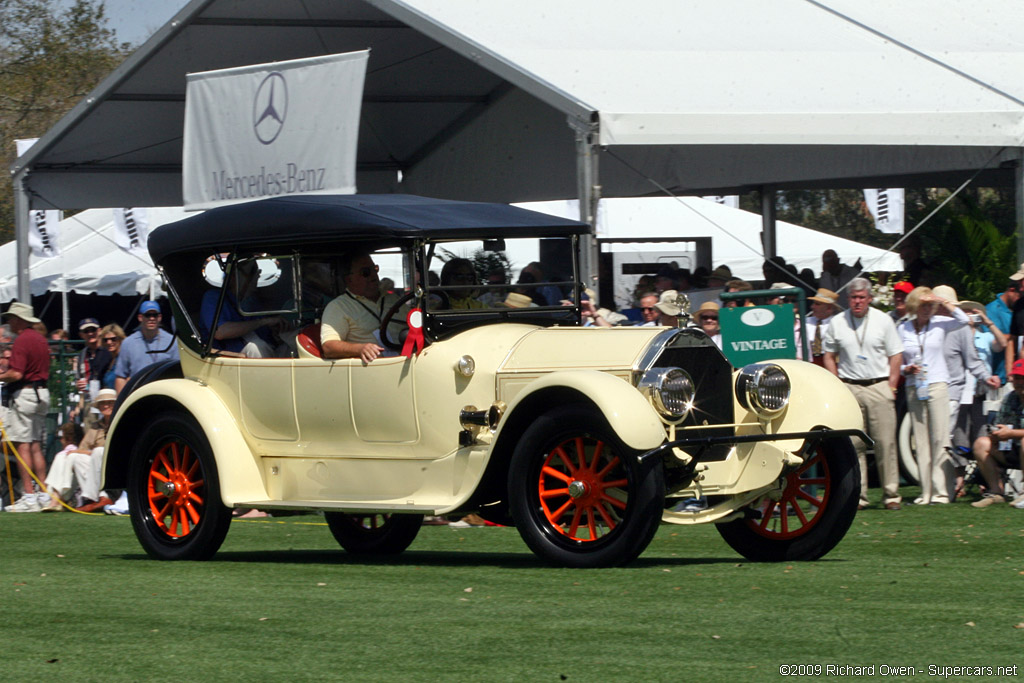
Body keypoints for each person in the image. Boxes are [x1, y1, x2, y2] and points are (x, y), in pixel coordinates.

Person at [822, 278, 903, 510]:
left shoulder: (883, 320)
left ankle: (891, 495)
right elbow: (829, 354)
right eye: (854, 298)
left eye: (861, 297)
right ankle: (859, 496)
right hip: (850, 387)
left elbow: (896, 354)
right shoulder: (837, 322)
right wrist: (837, 383)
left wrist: (892, 386)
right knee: (853, 445)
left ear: (869, 298)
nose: (857, 302)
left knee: (885, 443)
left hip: (879, 385)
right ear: (849, 299)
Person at [898, 286, 969, 505]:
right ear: (914, 306)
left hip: (937, 383)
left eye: (930, 305)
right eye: (923, 305)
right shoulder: (903, 328)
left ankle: (941, 492)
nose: (928, 309)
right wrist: (906, 369)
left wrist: (940, 300)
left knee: (940, 437)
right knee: (919, 440)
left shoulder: (940, 323)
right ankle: (925, 492)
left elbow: (964, 320)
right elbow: (898, 361)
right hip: (914, 385)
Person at [0, 302, 52, 512]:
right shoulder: (40, 339)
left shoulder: (22, 340)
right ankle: (43, 493)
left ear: (20, 319)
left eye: (12, 317)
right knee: (35, 445)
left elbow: (16, 373)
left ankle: (29, 495)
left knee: (22, 445)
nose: (9, 321)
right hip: (42, 394)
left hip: (26, 394)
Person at [321, 251, 402, 362]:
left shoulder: (392, 299)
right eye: (366, 272)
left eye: (375, 269)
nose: (374, 276)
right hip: (372, 368)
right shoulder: (338, 307)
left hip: (406, 360)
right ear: (349, 279)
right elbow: (329, 347)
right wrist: (360, 348)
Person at [200, 259, 287, 357]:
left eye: (257, 273)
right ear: (234, 277)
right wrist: (263, 322)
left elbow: (265, 333)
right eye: (252, 273)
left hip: (266, 350)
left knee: (291, 345)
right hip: (232, 357)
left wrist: (276, 332)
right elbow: (220, 332)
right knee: (256, 347)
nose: (256, 278)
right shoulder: (214, 298)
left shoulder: (251, 301)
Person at [970, 359, 1024, 508]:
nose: (1019, 383)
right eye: (1017, 378)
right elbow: (999, 424)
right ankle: (996, 492)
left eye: (1022, 378)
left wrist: (1011, 433)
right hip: (1011, 449)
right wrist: (995, 434)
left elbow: (1012, 432)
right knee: (981, 443)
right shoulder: (1010, 398)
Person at [114, 301, 180, 394]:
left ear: (160, 317)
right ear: (140, 317)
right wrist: (122, 402)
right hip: (136, 394)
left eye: (155, 315)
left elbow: (177, 373)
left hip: (163, 393)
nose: (152, 318)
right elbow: (121, 376)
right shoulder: (128, 343)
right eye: (148, 315)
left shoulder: (172, 341)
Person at [70, 388, 117, 512]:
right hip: (97, 465)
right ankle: (96, 499)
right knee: (75, 458)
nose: (106, 406)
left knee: (98, 452)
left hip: (117, 465)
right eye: (102, 403)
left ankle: (96, 498)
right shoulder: (96, 426)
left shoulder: (121, 422)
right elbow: (83, 448)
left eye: (110, 403)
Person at [41, 421, 86, 511]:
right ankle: (56, 500)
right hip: (71, 489)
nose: (60, 441)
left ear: (68, 439)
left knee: (60, 457)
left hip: (72, 491)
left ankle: (55, 500)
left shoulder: (71, 451)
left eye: (61, 438)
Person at [991, 277, 1023, 382]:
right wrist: (1009, 372)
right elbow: (1010, 339)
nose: (1021, 289)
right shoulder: (1019, 305)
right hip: (1013, 375)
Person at [805, 288, 840, 367]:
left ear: (829, 308)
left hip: (830, 363)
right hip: (809, 363)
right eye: (813, 303)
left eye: (817, 304)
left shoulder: (837, 324)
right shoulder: (805, 322)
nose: (812, 307)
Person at [98, 324, 126, 389]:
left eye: (113, 339)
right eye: (106, 340)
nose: (109, 342)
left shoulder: (125, 358)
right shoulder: (110, 359)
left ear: (120, 339)